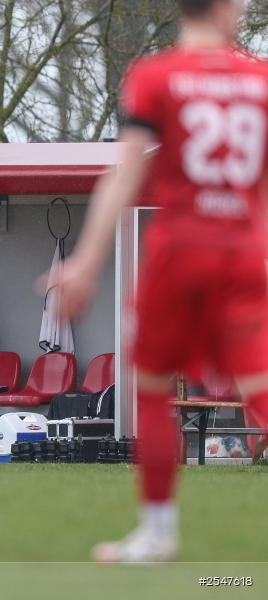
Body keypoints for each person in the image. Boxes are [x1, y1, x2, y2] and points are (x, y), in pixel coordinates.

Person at [50, 0, 268, 563]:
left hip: (179, 253)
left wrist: (84, 262)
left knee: (150, 385)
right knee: (260, 381)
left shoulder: (154, 76)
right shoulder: (260, 80)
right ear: (223, 7)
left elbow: (124, 175)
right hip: (244, 253)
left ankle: (158, 533)